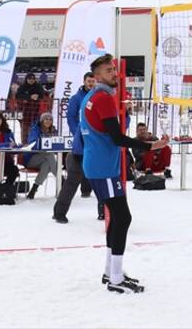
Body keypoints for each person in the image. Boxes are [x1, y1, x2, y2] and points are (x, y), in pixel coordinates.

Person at [82, 53, 167, 294]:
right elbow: (117, 138)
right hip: (103, 168)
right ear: (97, 76)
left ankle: (111, 271)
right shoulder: (103, 99)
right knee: (123, 218)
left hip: (98, 165)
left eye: (113, 69)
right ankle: (115, 278)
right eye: (108, 71)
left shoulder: (92, 96)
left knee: (118, 218)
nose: (114, 73)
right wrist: (152, 145)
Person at [53, 71, 95, 224]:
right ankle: (59, 212)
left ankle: (103, 212)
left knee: (101, 180)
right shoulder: (76, 98)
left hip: (95, 147)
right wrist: (79, 131)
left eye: (93, 81)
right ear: (84, 82)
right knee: (72, 181)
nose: (91, 83)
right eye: (89, 81)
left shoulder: (99, 97)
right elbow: (71, 117)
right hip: (80, 147)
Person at [24, 111, 61, 199]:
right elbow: (32, 143)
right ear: (41, 120)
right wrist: (43, 144)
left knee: (47, 164)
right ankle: (62, 180)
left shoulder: (53, 131)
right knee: (49, 155)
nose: (48, 121)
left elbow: (57, 144)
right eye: (46, 119)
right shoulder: (35, 130)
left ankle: (33, 190)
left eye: (50, 119)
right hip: (31, 158)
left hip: (45, 159)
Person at [17, 72, 46, 139]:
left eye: (33, 78)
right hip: (24, 111)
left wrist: (37, 96)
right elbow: (18, 96)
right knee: (24, 129)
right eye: (30, 78)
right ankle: (24, 143)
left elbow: (42, 95)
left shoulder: (38, 86)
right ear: (26, 79)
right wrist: (30, 97)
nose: (31, 80)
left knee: (34, 128)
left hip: (36, 111)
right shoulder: (22, 87)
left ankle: (33, 142)